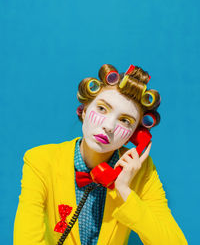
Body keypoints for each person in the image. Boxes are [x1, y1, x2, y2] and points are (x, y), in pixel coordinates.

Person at [13, 64, 188, 245]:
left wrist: (124, 190)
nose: (109, 127)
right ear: (86, 109)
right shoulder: (40, 161)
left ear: (134, 134)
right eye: (102, 109)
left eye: (125, 121)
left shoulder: (142, 172)